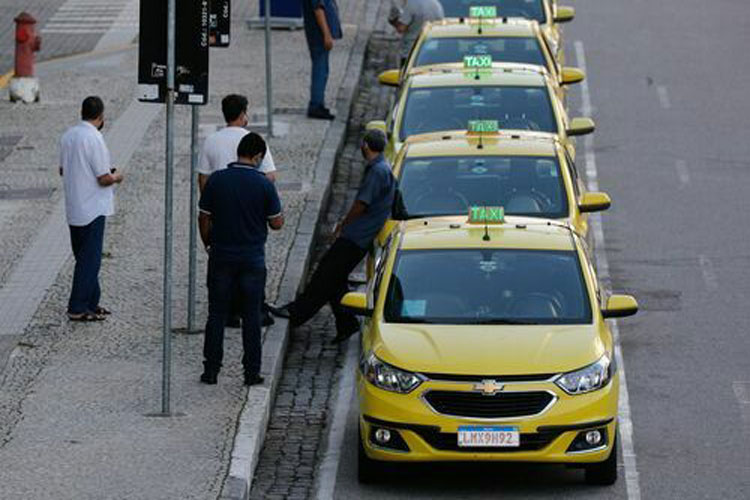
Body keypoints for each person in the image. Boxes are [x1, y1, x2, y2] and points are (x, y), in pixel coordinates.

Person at [268, 129, 396, 343]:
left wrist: (343, 225)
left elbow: (361, 204)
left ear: (365, 145)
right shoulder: (383, 168)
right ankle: (347, 324)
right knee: (336, 279)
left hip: (356, 236)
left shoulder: (377, 172)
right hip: (362, 236)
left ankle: (297, 312)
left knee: (325, 275)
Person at [198, 132, 284, 386]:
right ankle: (250, 372)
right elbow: (277, 223)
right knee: (251, 316)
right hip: (252, 259)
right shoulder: (264, 185)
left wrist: (208, 243)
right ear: (257, 156)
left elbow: (203, 217)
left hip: (221, 256)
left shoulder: (217, 181)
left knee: (216, 314)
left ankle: (211, 370)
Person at [199, 94, 277, 327]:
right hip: (250, 210)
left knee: (222, 263)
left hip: (220, 209)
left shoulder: (211, 140)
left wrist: (210, 205)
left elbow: (203, 178)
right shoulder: (253, 140)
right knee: (252, 261)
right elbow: (271, 175)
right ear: (243, 114)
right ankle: (255, 310)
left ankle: (228, 313)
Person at [60, 96, 123, 322]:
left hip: (74, 206)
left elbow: (62, 170)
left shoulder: (68, 135)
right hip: (93, 207)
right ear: (101, 116)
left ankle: (91, 302)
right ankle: (77, 307)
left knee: (84, 257)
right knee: (90, 260)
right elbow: (103, 178)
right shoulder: (94, 138)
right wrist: (117, 176)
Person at [302, 0, 342, 120]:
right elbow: (318, 9)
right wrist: (326, 34)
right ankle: (316, 105)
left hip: (316, 32)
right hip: (318, 33)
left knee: (322, 68)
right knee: (320, 69)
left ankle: (318, 103)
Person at [388, 0, 444, 65]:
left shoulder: (412, 4)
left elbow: (401, 28)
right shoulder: (436, 4)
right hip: (432, 48)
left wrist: (394, 22)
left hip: (411, 51)